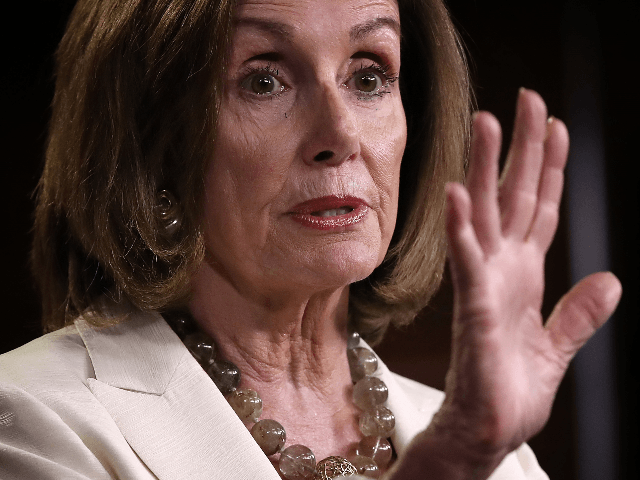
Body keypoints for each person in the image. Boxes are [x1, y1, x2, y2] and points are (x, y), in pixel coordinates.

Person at [0, 0, 621, 479]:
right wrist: (451, 462)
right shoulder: (31, 416)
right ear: (153, 148)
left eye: (369, 74)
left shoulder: (495, 447)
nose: (340, 131)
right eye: (264, 80)